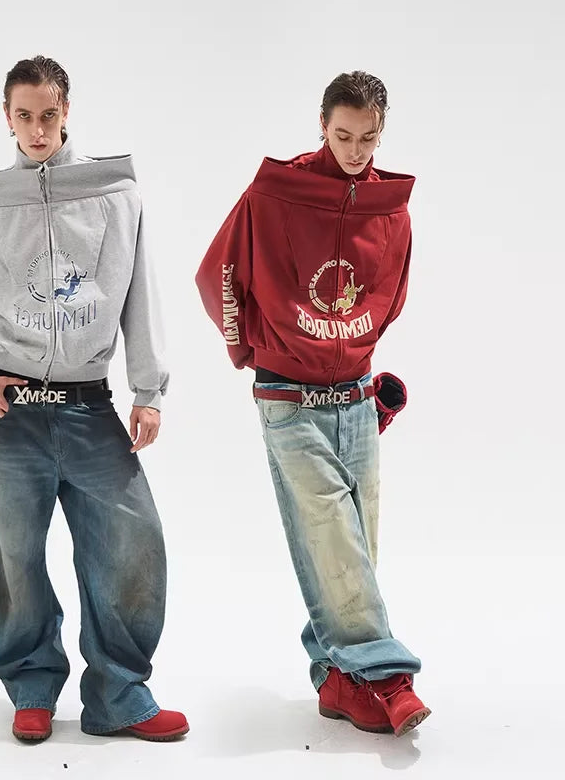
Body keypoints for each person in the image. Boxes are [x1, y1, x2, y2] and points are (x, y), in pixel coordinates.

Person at [0, 55, 188, 743]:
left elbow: (140, 295)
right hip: (11, 413)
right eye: (25, 116)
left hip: (89, 405)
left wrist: (148, 390)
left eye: (49, 115)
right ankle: (31, 688)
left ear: (67, 111)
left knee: (130, 546)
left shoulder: (116, 195)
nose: (38, 129)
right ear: (7, 117)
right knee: (11, 561)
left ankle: (120, 696)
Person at [195, 71, 430, 737]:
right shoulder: (275, 194)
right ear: (322, 126)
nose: (355, 150)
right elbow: (218, 277)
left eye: (368, 138)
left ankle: (336, 680)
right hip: (289, 398)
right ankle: (389, 676)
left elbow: (391, 295)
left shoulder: (390, 209)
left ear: (382, 133)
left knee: (357, 544)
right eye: (343, 135)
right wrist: (256, 349)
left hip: (355, 396)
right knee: (332, 535)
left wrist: (358, 358)